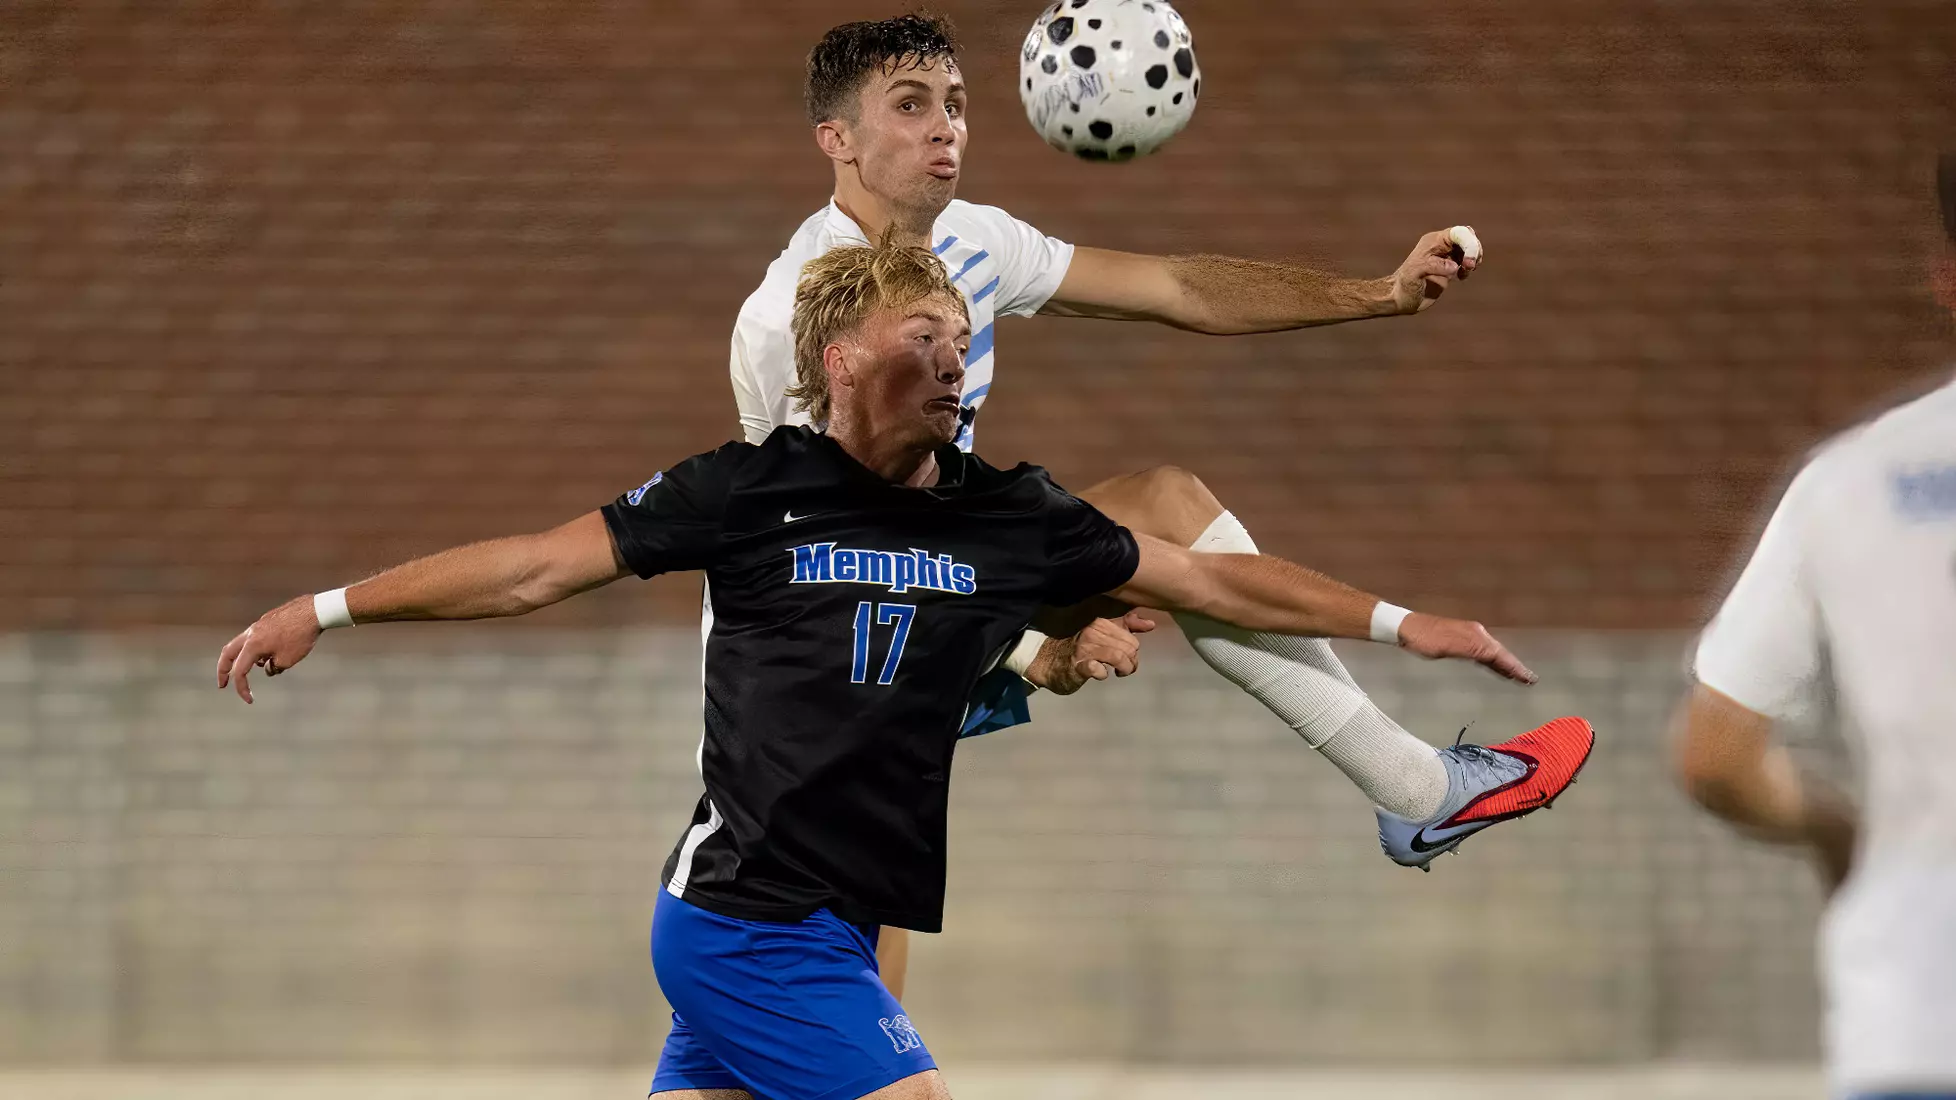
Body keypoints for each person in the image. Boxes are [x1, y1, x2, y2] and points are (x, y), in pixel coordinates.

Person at [219, 237, 1591, 1100]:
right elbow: (527, 567)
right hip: (749, 923)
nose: (956, 356)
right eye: (924, 335)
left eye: (964, 336)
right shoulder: (746, 491)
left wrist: (1405, 622)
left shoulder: (1008, 514)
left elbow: (1208, 578)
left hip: (844, 923)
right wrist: (326, 609)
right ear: (839, 358)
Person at [734, 12, 1583, 988]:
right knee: (833, 1007)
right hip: (828, 665)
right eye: (912, 105)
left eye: (958, 105)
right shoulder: (795, 313)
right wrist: (1029, 648)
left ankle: (1414, 786)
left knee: (1164, 503)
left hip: (935, 589)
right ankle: (1418, 787)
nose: (947, 129)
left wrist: (1380, 293)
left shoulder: (971, 240)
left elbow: (1180, 286)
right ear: (835, 139)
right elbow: (837, 560)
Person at [1673, 156, 1956, 1100]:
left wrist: (1841, 833)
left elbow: (1716, 754)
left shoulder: (1853, 484)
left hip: (1918, 1016)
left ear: (1946, 278)